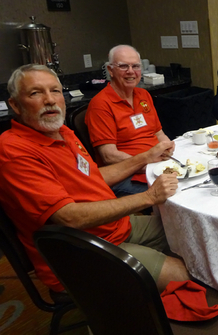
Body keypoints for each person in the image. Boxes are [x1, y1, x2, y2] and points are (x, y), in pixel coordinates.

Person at [0, 64, 191, 293]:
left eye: (55, 91)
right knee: (184, 275)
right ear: (15, 105)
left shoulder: (62, 132)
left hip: (112, 226)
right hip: (79, 251)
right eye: (35, 93)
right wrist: (150, 197)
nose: (49, 100)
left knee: (192, 235)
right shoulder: (14, 152)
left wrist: (144, 158)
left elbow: (92, 177)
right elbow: (69, 218)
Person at [86, 45, 174, 197]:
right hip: (126, 175)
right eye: (123, 66)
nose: (131, 71)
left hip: (155, 165)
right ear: (110, 70)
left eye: (135, 66)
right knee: (176, 193)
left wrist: (168, 148)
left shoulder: (143, 95)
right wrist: (147, 163)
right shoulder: (100, 104)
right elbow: (109, 156)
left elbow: (159, 133)